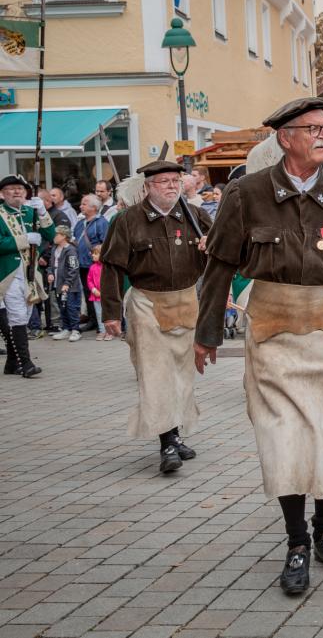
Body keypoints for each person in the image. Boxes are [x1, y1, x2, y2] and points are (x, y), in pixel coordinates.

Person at [192, 97, 323, 595]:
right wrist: (207, 333)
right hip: (273, 332)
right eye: (314, 128)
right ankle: (296, 541)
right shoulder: (247, 194)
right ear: (285, 137)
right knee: (284, 442)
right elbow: (218, 268)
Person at [100, 160, 212, 472]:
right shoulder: (128, 220)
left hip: (187, 302)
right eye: (163, 181)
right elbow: (112, 268)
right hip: (146, 303)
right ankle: (167, 443)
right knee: (155, 374)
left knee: (181, 375)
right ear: (147, 186)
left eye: (175, 180)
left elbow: (226, 256)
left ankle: (174, 433)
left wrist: (211, 248)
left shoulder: (196, 215)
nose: (171, 186)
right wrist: (110, 313)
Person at [0, 175, 55, 377]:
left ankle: (13, 362)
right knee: (17, 315)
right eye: (11, 189)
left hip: (29, 272)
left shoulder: (29, 212)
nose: (16, 192)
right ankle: (26, 363)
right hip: (8, 273)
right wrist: (24, 240)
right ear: (2, 193)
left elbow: (51, 234)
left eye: (19, 189)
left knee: (24, 314)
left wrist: (42, 211)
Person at [73, 194, 109, 334]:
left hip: (95, 266)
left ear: (94, 207)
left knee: (98, 293)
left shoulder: (101, 223)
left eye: (84, 204)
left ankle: (104, 322)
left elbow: (105, 243)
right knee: (88, 294)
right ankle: (93, 320)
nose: (81, 206)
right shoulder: (80, 223)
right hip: (82, 264)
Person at [48, 225, 82, 343]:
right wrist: (50, 273)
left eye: (56, 234)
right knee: (62, 307)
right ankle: (66, 328)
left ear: (63, 236)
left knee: (71, 307)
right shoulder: (54, 249)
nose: (54, 236)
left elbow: (74, 268)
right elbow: (51, 265)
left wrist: (67, 283)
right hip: (57, 284)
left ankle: (75, 330)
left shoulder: (70, 250)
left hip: (69, 286)